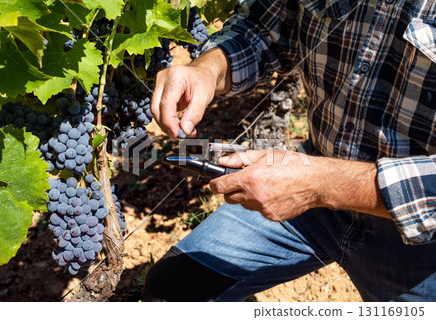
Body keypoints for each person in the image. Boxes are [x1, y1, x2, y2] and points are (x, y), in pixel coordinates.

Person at [145, 0, 436, 301]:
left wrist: (322, 183)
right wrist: (208, 68)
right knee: (172, 289)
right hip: (314, 198)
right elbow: (264, 28)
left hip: (422, 238)